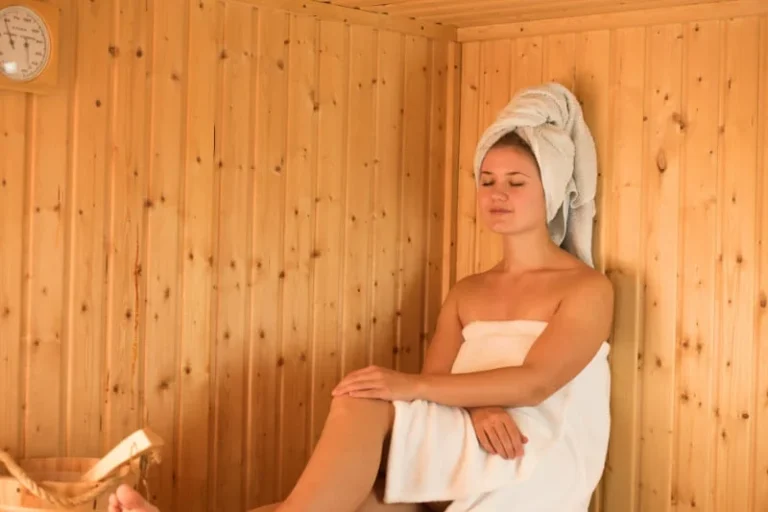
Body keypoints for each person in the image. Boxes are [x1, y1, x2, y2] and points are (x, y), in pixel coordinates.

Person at [107, 129, 613, 512]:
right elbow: (437, 386)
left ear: (551, 190)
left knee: (372, 419)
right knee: (360, 449)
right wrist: (476, 408)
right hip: (470, 425)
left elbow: (535, 384)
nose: (497, 193)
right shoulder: (468, 291)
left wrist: (407, 383)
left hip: (527, 443)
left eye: (516, 182)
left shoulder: (586, 288)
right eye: (487, 181)